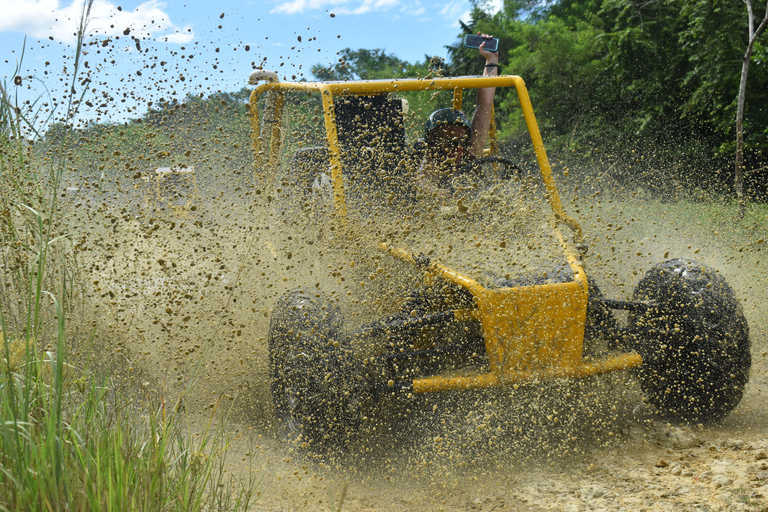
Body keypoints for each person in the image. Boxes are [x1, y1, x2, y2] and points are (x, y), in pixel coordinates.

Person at [416, 33, 499, 201]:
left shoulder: (470, 152)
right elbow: (422, 183)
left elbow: (485, 104)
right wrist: (440, 195)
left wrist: (491, 59)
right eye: (449, 142)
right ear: (432, 141)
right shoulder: (428, 163)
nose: (457, 149)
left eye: (461, 141)